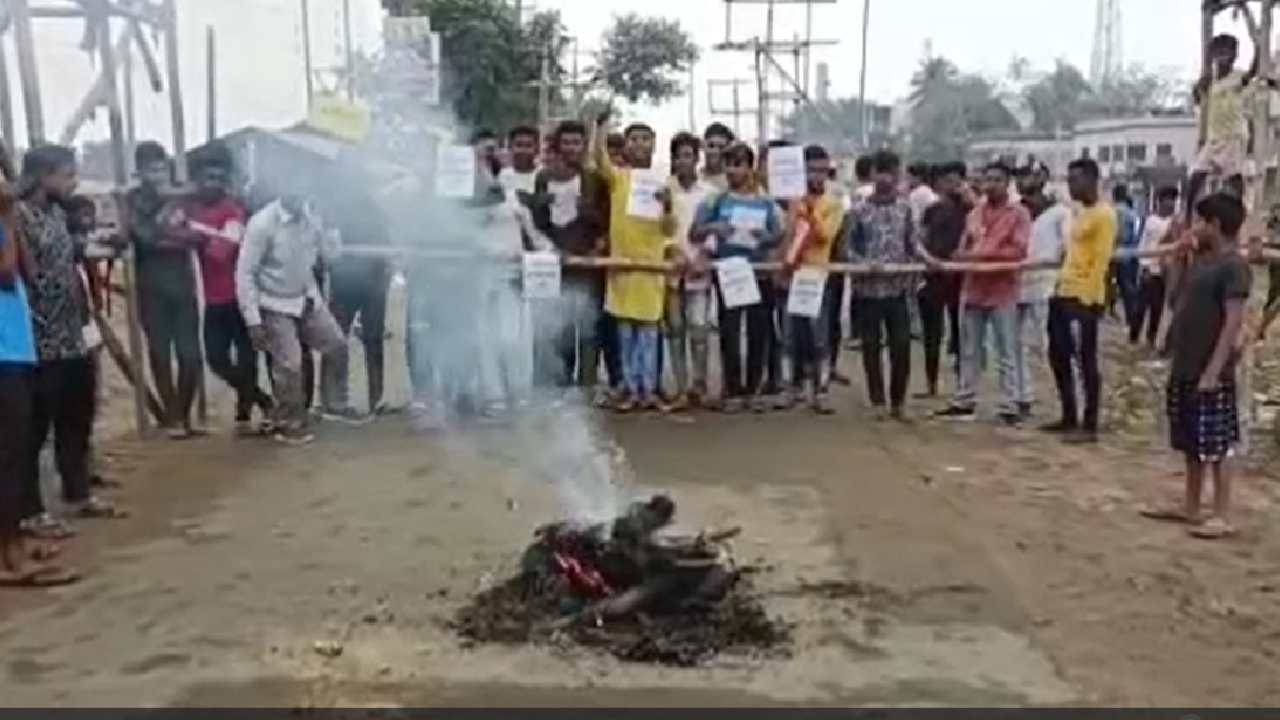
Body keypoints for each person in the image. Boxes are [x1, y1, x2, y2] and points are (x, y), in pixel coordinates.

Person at [17, 145, 123, 541]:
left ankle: (78, 494)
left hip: (73, 335)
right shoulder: (19, 218)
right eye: (67, 174)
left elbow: (74, 257)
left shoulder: (58, 215)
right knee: (33, 428)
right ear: (43, 176)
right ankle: (30, 511)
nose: (73, 182)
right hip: (39, 340)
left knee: (76, 417)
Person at [1141, 193, 1250, 540]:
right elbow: (1175, 301)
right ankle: (1190, 506)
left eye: (1201, 221)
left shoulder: (1233, 266)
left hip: (1210, 368)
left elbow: (1233, 322)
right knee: (1189, 439)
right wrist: (1176, 260)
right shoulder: (1200, 262)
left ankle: (1221, 513)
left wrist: (1214, 371)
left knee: (1217, 443)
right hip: (1186, 363)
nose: (1195, 227)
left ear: (1216, 224)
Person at [0, 157, 79, 587]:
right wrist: (9, 216)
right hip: (3, 349)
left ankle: (12, 544)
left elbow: (27, 270)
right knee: (9, 454)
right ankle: (8, 556)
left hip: (15, 345)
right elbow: (7, 271)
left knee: (16, 448)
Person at [166, 146, 273, 434]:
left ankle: (244, 413)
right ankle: (262, 400)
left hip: (241, 297)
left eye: (217, 177)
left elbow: (221, 252)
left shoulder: (233, 210)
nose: (211, 183)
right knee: (216, 359)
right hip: (214, 299)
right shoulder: (192, 208)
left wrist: (192, 234)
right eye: (205, 177)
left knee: (248, 358)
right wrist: (189, 230)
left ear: (225, 179)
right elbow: (170, 230)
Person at [237, 191, 345, 445]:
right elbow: (245, 274)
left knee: (337, 345)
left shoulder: (311, 218)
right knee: (290, 365)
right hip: (273, 302)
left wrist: (330, 230)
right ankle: (287, 423)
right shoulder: (262, 224)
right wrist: (253, 320)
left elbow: (331, 258)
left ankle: (333, 406)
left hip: (306, 297)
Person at [933, 163, 1030, 425]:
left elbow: (1019, 251)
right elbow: (962, 247)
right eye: (988, 180)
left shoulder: (1019, 214)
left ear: (1007, 182)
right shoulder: (975, 213)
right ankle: (965, 399)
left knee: (1006, 350)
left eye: (998, 180)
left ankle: (1011, 402)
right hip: (973, 288)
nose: (991, 185)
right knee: (969, 349)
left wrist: (980, 255)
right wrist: (964, 256)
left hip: (1003, 290)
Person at [691, 142, 782, 413]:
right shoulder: (715, 200)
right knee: (729, 331)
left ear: (750, 167)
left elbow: (778, 235)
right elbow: (693, 233)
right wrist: (713, 228)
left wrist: (765, 238)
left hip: (758, 272)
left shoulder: (766, 202)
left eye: (739, 164)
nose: (733, 170)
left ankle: (752, 390)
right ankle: (732, 389)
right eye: (729, 164)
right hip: (729, 273)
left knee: (759, 332)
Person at [593, 115, 676, 411]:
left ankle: (648, 389)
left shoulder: (663, 184)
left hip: (651, 269)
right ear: (626, 146)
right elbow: (598, 159)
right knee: (625, 333)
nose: (640, 144)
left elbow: (669, 230)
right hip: (622, 268)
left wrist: (666, 204)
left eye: (646, 139)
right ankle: (628, 388)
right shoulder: (619, 177)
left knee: (650, 335)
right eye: (634, 139)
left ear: (654, 146)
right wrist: (599, 128)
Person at [128, 141, 204, 439]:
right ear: (141, 171)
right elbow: (143, 238)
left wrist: (168, 236)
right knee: (159, 353)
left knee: (190, 356)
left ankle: (181, 415)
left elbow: (198, 236)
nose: (157, 174)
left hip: (183, 286)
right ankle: (172, 417)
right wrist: (177, 237)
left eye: (161, 167)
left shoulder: (182, 197)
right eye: (151, 168)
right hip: (151, 287)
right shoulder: (134, 199)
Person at [531, 120, 610, 392]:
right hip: (554, 262)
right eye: (566, 142)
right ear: (558, 145)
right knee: (559, 326)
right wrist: (542, 207)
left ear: (584, 146)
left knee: (588, 327)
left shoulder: (594, 180)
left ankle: (587, 385)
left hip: (587, 263)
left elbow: (606, 222)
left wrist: (587, 212)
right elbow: (537, 223)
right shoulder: (543, 178)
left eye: (577, 142)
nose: (571, 148)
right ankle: (559, 385)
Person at [1043, 159, 1116, 444]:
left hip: (1084, 297)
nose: (1071, 186)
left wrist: (1092, 300)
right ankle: (1068, 414)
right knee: (1058, 355)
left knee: (1085, 360)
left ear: (1091, 180)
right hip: (1063, 291)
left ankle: (1090, 423)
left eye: (1075, 180)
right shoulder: (1078, 213)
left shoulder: (1104, 215)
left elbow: (1101, 261)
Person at [316, 156, 394, 422]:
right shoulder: (332, 210)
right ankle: (333, 401)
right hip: (344, 284)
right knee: (336, 341)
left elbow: (388, 245)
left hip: (374, 283)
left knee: (373, 341)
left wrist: (385, 273)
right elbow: (327, 250)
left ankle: (376, 399)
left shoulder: (377, 207)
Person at [845, 150, 917, 421]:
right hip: (867, 291)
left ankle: (898, 402)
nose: (886, 178)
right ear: (872, 174)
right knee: (871, 347)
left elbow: (914, 243)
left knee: (901, 347)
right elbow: (847, 248)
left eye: (891, 172)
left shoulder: (905, 207)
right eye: (881, 171)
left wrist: (930, 262)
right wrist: (864, 263)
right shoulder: (859, 210)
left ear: (898, 174)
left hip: (898, 291)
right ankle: (877, 402)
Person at [783, 145, 844, 414]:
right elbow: (786, 235)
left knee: (819, 336)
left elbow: (825, 236)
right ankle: (793, 388)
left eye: (822, 171)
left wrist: (810, 211)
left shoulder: (833, 203)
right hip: (793, 274)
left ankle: (821, 391)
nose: (817, 176)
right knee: (792, 335)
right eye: (811, 170)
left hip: (818, 276)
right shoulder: (792, 201)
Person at [663, 132, 716, 410]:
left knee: (699, 327)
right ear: (672, 159)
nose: (684, 161)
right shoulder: (663, 190)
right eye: (679, 155)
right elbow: (660, 228)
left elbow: (714, 229)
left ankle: (700, 385)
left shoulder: (708, 193)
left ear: (697, 159)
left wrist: (704, 254)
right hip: (671, 268)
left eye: (689, 155)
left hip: (699, 268)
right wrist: (672, 249)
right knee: (675, 329)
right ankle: (681, 387)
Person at [1015, 167, 1069, 420]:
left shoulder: (1060, 213)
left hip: (1048, 285)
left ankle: (1065, 401)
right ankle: (1022, 397)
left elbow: (1068, 248)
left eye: (1031, 176)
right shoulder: (1016, 211)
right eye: (1021, 177)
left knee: (1048, 346)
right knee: (1017, 345)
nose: (1026, 182)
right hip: (1017, 284)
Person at [1187, 34, 1260, 218]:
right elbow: (1197, 98)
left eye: (1229, 52)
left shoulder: (1238, 76)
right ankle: (1187, 216)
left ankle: (1240, 215)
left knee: (1234, 177)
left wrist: (1258, 44)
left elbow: (1252, 72)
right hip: (1214, 138)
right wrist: (1197, 89)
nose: (1224, 56)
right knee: (1196, 175)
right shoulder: (1209, 80)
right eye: (1220, 51)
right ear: (1213, 54)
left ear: (1235, 55)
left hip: (1233, 136)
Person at [916, 161, 969, 398]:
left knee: (962, 334)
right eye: (947, 180)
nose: (952, 185)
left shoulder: (972, 210)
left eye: (957, 180)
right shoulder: (932, 210)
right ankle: (931, 384)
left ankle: (963, 385)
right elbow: (922, 238)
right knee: (931, 334)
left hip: (961, 277)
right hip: (934, 275)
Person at [1131, 186, 1179, 348]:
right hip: (1149, 271)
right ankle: (1134, 338)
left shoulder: (1174, 222)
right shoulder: (1152, 221)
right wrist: (1144, 268)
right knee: (1140, 308)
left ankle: (1150, 340)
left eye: (1173, 200)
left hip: (1164, 273)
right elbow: (1144, 246)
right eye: (1168, 200)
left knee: (1157, 310)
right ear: (1159, 202)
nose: (1171, 204)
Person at [1110, 185, 1140, 325]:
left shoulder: (1116, 211)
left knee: (1121, 285)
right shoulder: (1132, 212)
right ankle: (1131, 315)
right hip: (1133, 252)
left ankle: (1129, 316)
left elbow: (1118, 234)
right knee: (1129, 285)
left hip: (1119, 253)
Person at [701, 123, 734, 190]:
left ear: (728, 149)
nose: (715, 151)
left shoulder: (736, 180)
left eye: (721, 147)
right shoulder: (693, 178)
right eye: (711, 145)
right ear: (703, 146)